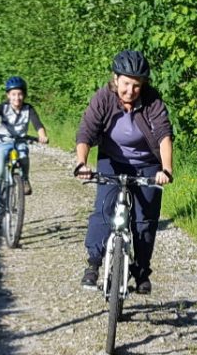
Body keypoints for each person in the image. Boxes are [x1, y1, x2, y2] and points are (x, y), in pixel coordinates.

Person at [74, 50, 173, 294]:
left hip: (147, 163)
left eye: (137, 85)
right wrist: (81, 163)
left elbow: (164, 135)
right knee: (104, 209)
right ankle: (94, 264)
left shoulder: (152, 101)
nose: (131, 90)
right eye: (126, 83)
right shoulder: (103, 98)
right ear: (116, 78)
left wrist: (166, 169)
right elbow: (86, 131)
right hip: (113, 160)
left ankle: (141, 272)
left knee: (144, 220)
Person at [0, 76, 48, 227]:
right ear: (8, 95)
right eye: (13, 94)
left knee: (24, 155)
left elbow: (38, 124)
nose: (16, 98)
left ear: (24, 95)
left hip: (20, 141)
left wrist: (42, 135)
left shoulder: (28, 108)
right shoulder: (3, 107)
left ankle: (24, 179)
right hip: (2, 142)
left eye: (19, 94)